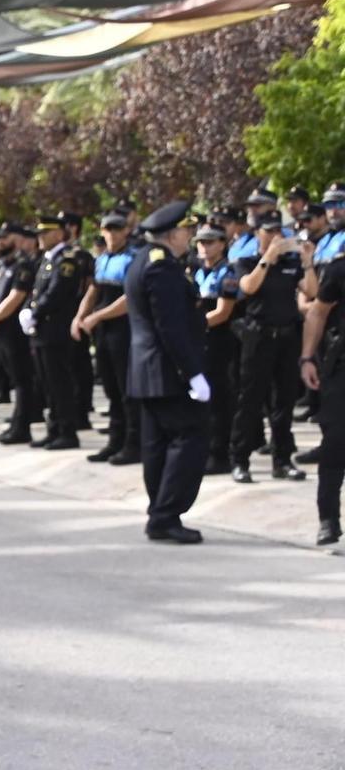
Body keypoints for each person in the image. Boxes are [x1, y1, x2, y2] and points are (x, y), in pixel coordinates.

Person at [127, 203, 212, 544]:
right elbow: (171, 328)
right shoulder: (162, 268)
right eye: (187, 232)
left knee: (157, 445)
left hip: (149, 371)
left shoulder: (143, 261)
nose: (190, 238)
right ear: (173, 234)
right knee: (189, 438)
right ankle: (165, 514)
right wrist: (193, 373)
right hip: (167, 372)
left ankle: (159, 514)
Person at [231, 214, 307, 483]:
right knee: (250, 399)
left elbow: (310, 289)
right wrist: (268, 257)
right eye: (269, 231)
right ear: (258, 234)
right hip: (258, 336)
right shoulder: (247, 262)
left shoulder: (291, 263)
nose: (275, 236)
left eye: (279, 231)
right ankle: (240, 459)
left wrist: (307, 261)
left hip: (286, 337)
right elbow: (248, 287)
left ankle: (282, 460)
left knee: (283, 402)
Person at [75, 211, 141, 465]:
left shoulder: (133, 258)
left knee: (126, 389)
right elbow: (94, 289)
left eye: (117, 229)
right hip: (103, 329)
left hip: (122, 328)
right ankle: (115, 441)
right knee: (111, 388)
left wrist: (98, 316)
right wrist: (80, 315)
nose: (112, 234)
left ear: (126, 231)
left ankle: (133, 443)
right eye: (108, 229)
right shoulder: (102, 259)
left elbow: (129, 298)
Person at [29, 211, 90, 449]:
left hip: (56, 330)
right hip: (42, 330)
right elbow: (36, 291)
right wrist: (29, 310)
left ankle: (67, 431)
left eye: (45, 232)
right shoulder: (47, 259)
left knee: (60, 383)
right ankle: (53, 428)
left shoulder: (67, 259)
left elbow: (56, 292)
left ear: (58, 233)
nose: (40, 237)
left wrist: (34, 312)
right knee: (48, 383)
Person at [193, 224, 243, 474]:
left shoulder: (228, 272)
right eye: (201, 242)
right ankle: (207, 448)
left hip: (221, 340)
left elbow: (223, 313)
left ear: (222, 244)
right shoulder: (198, 271)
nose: (204, 246)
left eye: (210, 242)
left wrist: (193, 325)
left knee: (220, 398)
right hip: (202, 338)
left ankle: (221, 452)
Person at [303, 244, 344, 545]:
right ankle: (328, 519)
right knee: (335, 445)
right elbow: (318, 312)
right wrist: (306, 358)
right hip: (342, 367)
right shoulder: (340, 269)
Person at [0, 222, 38, 444]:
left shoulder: (23, 265)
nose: (0, 242)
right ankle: (16, 422)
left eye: (5, 237)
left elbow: (16, 297)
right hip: (1, 329)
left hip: (15, 331)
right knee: (15, 379)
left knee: (22, 380)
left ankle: (22, 427)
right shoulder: (4, 265)